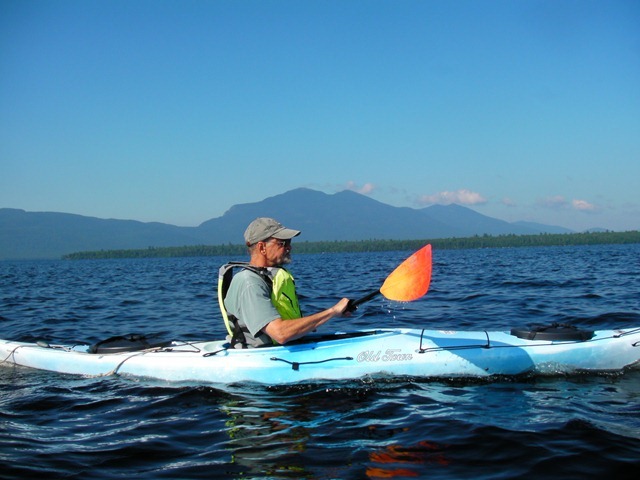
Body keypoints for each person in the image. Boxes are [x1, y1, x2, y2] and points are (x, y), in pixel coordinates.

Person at [220, 217, 351, 348]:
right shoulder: (250, 282)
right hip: (263, 357)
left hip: (282, 351)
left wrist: (308, 325)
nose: (289, 247)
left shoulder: (267, 278)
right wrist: (332, 311)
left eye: (289, 242)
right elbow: (280, 334)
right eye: (282, 243)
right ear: (262, 247)